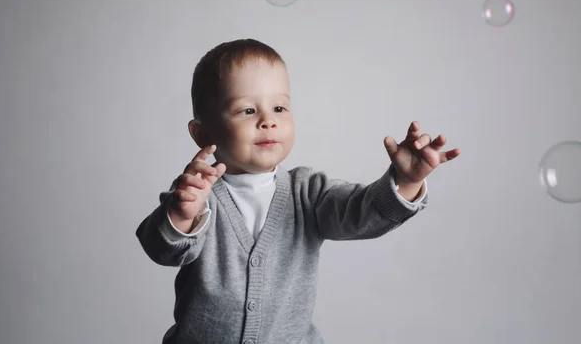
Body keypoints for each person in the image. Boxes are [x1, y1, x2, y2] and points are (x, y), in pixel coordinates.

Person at [136, 38, 461, 344]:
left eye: (279, 108)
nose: (268, 121)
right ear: (202, 132)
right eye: (247, 110)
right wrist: (180, 217)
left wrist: (407, 181)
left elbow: (361, 213)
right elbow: (163, 249)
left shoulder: (308, 192)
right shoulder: (195, 194)